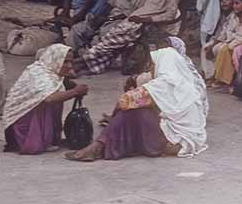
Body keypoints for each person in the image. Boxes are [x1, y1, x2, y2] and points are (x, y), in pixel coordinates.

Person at [65, 37, 208, 161]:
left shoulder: (162, 84)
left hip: (172, 140)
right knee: (138, 111)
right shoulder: (186, 82)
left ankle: (98, 146)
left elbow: (125, 101)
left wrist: (115, 115)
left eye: (153, 64)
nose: (151, 68)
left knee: (131, 112)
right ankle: (101, 144)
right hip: (185, 138)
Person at [74, 0, 182, 76]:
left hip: (144, 22)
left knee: (109, 43)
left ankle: (78, 62)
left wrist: (146, 19)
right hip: (137, 19)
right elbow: (151, 2)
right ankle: (84, 66)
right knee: (112, 44)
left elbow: (170, 14)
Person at [1, 45, 89, 154]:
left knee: (57, 96)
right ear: (55, 59)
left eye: (71, 62)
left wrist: (75, 88)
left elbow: (63, 83)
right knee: (46, 102)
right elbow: (49, 98)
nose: (69, 66)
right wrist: (75, 92)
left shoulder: (52, 71)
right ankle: (36, 139)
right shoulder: (39, 74)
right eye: (65, 62)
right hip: (20, 126)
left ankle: (48, 137)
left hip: (25, 120)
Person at [201, 0, 236, 77]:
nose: (224, 2)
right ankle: (209, 75)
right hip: (221, 38)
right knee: (205, 47)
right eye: (221, 0)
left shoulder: (234, 15)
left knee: (215, 48)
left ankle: (218, 75)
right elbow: (219, 32)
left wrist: (214, 43)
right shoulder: (221, 15)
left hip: (230, 39)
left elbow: (226, 34)